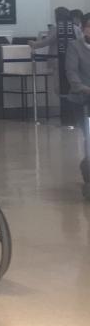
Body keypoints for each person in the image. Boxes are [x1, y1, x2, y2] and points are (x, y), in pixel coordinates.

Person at [65, 16, 90, 193]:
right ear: (82, 28)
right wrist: (82, 88)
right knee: (88, 136)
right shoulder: (75, 46)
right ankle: (88, 170)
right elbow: (71, 71)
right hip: (83, 99)